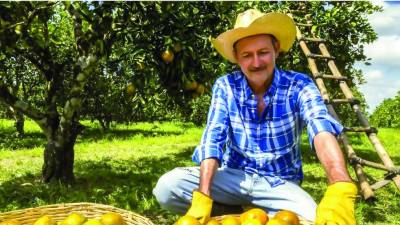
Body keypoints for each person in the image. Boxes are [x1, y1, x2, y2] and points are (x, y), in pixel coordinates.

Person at [153, 9, 357, 225]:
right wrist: (203, 196)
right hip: (235, 177)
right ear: (236, 58)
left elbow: (321, 127)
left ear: (276, 49)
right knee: (168, 188)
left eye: (263, 52)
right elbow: (213, 137)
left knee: (315, 219)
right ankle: (244, 211)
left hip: (280, 184)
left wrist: (339, 184)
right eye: (247, 55)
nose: (256, 62)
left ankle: (245, 213)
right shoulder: (226, 86)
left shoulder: (299, 84)